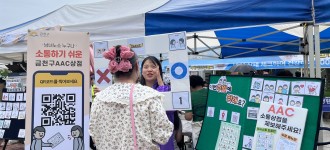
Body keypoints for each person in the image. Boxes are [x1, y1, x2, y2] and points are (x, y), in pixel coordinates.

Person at [89, 45, 173, 149]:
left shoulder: (99, 99)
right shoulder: (149, 97)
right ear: (137, 66)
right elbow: (163, 135)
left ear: (112, 69)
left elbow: (94, 136)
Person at [140, 56, 181, 150]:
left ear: (159, 70)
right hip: (143, 137)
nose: (149, 70)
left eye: (153, 67)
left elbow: (169, 111)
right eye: (146, 67)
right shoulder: (137, 91)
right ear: (141, 71)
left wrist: (160, 83)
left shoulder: (168, 90)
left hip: (163, 138)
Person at [185, 75, 208, 148]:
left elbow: (188, 117)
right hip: (212, 124)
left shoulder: (190, 96)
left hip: (198, 126)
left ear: (191, 85)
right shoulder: (211, 92)